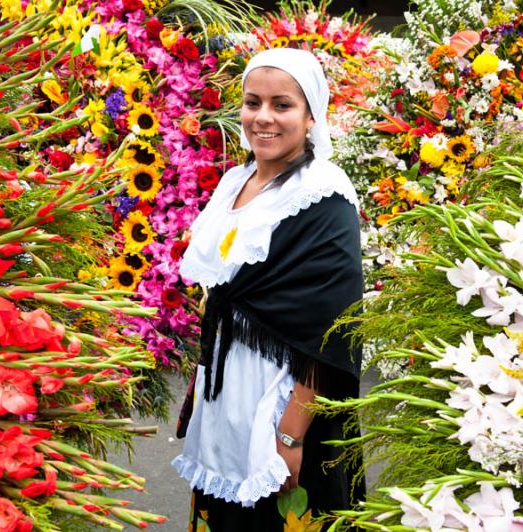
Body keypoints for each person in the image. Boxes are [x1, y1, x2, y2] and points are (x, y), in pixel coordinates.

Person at [172, 47, 364, 530]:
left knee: (284, 515)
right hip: (226, 396)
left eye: (282, 105)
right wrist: (200, 389)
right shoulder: (236, 181)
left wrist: (292, 436)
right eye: (252, 102)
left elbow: (331, 331)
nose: (263, 118)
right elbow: (223, 296)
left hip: (286, 402)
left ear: (311, 114)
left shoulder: (323, 195)